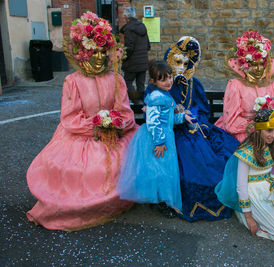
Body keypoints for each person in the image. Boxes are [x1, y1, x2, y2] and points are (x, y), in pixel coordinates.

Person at [26, 11, 139, 231]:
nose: (98, 56)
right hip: (81, 137)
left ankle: (117, 202)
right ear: (83, 52)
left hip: (113, 134)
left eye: (102, 51)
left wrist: (115, 124)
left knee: (128, 160)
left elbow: (124, 111)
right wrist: (95, 127)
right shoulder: (73, 81)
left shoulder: (116, 79)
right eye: (93, 51)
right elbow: (70, 117)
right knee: (78, 171)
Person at [154, 36, 240, 221]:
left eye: (185, 63)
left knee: (218, 157)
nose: (181, 67)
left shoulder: (193, 84)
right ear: (169, 59)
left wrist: (192, 117)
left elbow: (202, 111)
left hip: (192, 129)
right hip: (169, 132)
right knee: (186, 161)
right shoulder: (162, 83)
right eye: (177, 61)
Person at [215, 107, 274, 242]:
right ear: (259, 130)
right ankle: (252, 218)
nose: (273, 135)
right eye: (269, 130)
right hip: (254, 193)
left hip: (270, 185)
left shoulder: (272, 145)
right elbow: (241, 187)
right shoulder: (246, 151)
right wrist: (249, 218)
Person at [215, 31, 274, 178]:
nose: (257, 68)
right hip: (242, 133)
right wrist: (255, 126)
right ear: (244, 63)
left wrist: (269, 122)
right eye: (252, 64)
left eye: (261, 63)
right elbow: (230, 122)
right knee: (252, 156)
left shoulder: (269, 83)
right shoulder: (235, 85)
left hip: (269, 131)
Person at [117, 60, 193, 217]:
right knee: (160, 171)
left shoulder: (165, 95)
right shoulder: (156, 97)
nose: (168, 82)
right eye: (163, 79)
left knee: (164, 170)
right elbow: (152, 122)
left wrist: (183, 117)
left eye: (170, 77)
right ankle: (160, 201)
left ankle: (161, 200)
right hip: (156, 138)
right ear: (153, 81)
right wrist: (159, 142)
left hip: (165, 136)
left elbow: (169, 118)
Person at [120, 7, 151, 103]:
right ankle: (142, 104)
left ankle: (136, 101)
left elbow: (129, 48)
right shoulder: (142, 26)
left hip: (132, 62)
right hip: (143, 62)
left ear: (126, 17)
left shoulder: (129, 29)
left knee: (127, 81)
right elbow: (148, 46)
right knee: (140, 84)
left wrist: (123, 58)